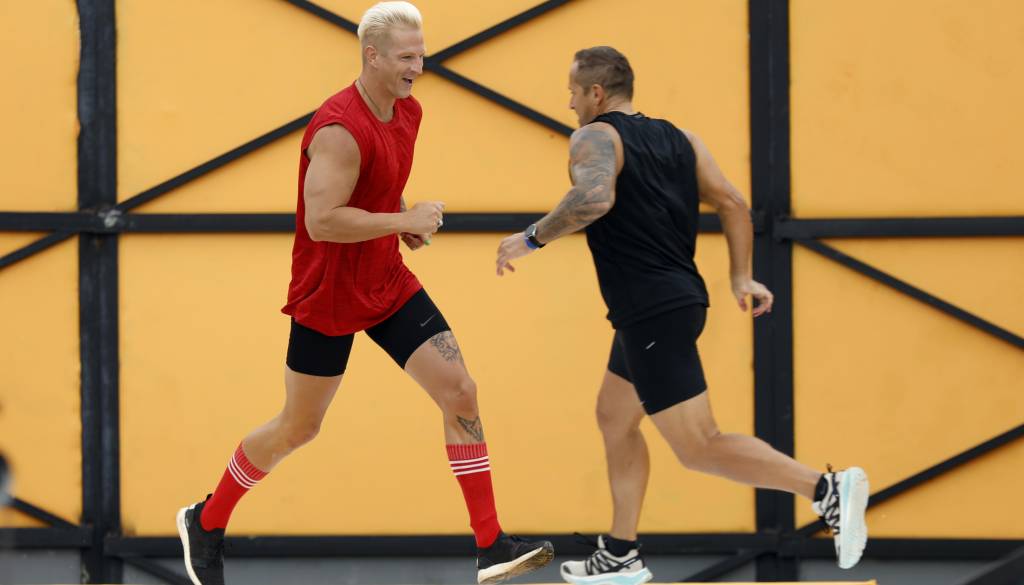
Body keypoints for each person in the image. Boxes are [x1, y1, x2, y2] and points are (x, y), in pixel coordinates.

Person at [176, 3, 553, 584]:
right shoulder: (338, 131)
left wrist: (401, 221)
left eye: (421, 54)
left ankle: (490, 546)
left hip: (387, 282)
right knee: (299, 427)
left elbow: (379, 185)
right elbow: (322, 220)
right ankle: (206, 520)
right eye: (406, 57)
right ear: (372, 56)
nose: (418, 67)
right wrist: (403, 220)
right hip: (328, 297)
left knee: (460, 391)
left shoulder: (408, 111)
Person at [495, 46, 869, 582]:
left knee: (699, 446)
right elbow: (733, 203)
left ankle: (826, 489)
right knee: (614, 416)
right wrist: (741, 276)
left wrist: (531, 238)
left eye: (574, 92)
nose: (570, 103)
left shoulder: (595, 136)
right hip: (667, 304)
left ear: (596, 93)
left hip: (651, 309)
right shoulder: (682, 140)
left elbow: (593, 199)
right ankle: (621, 552)